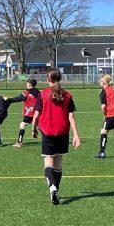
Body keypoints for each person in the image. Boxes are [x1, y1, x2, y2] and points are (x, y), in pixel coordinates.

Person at [29, 68, 81, 205]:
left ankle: (52, 187)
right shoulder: (67, 95)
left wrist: (33, 129)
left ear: (48, 79)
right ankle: (56, 189)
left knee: (48, 161)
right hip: (63, 132)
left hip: (48, 132)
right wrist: (76, 135)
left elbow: (36, 115)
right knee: (58, 162)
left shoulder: (43, 94)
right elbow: (71, 116)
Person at [14, 77, 40, 148]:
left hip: (29, 113)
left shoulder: (27, 92)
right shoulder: (38, 92)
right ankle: (51, 140)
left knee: (22, 125)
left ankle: (19, 143)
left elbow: (18, 98)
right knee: (40, 127)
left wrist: (8, 99)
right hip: (38, 112)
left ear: (29, 84)